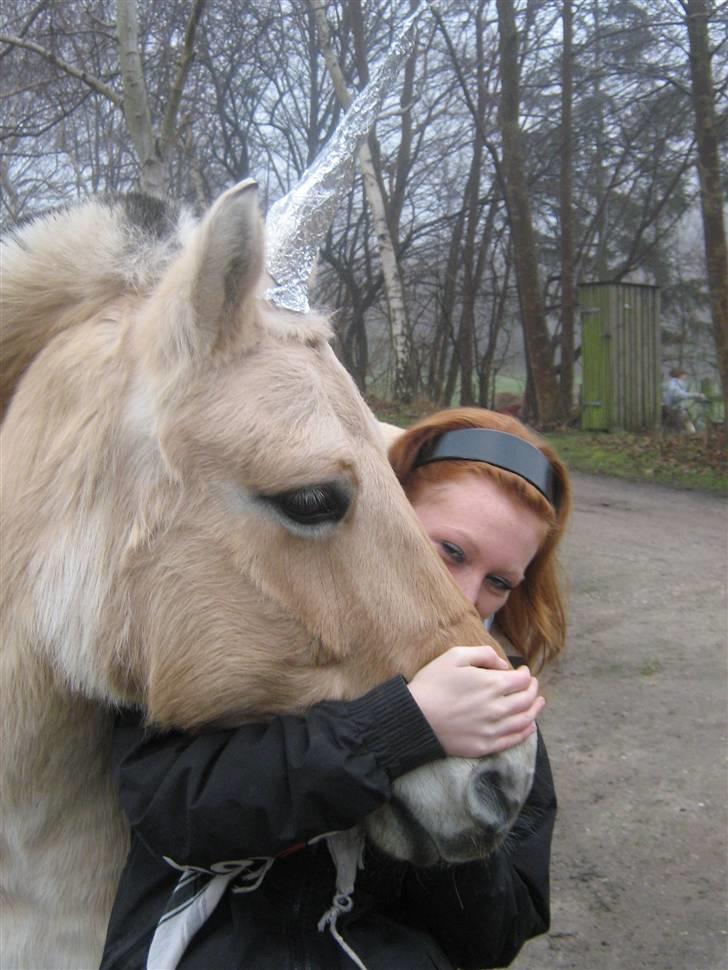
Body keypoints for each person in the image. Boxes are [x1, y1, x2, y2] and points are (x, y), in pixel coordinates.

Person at [100, 407, 571, 970]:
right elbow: (172, 809)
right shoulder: (243, 621)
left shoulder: (502, 704)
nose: (468, 596)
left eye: (499, 582)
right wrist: (398, 730)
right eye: (450, 551)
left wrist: (459, 796)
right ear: (385, 516)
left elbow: (497, 934)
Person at [662, 367, 707, 433]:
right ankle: (692, 433)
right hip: (671, 408)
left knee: (683, 420)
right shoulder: (673, 384)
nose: (686, 377)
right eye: (685, 375)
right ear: (680, 375)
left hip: (673, 408)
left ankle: (690, 432)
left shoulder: (674, 383)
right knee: (684, 418)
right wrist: (697, 395)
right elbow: (680, 394)